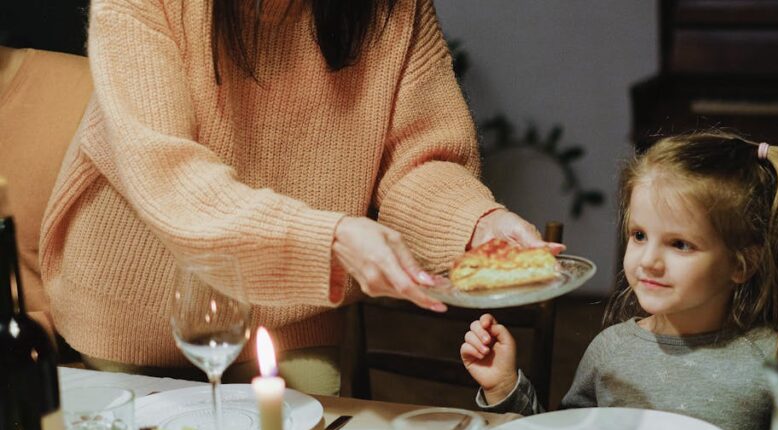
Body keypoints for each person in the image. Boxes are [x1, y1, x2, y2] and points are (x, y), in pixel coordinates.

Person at [39, 0, 558, 394]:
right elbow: (166, 174)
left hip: (291, 312)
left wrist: (475, 224)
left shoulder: (395, 10)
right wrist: (327, 239)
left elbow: (417, 164)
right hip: (133, 306)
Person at [459, 131, 778, 430]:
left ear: (741, 264)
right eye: (638, 235)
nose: (648, 259)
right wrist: (504, 385)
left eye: (680, 244)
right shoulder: (609, 349)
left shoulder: (772, 362)